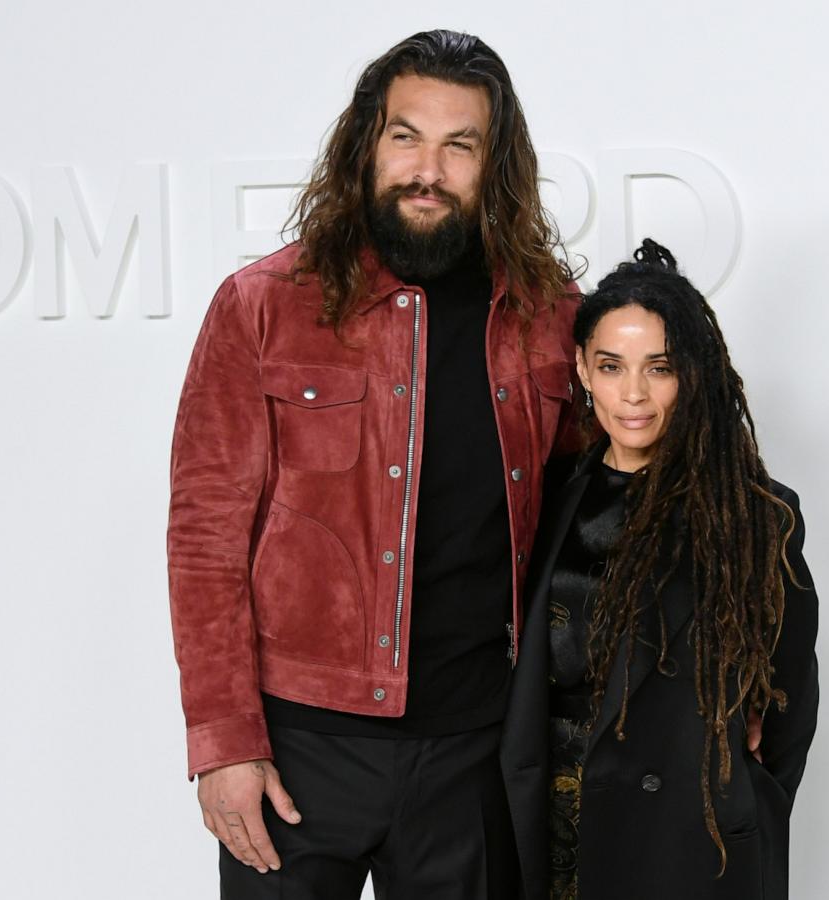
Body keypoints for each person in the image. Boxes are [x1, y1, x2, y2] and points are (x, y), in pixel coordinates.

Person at [166, 29, 580, 900]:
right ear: (366, 147)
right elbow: (205, 538)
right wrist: (224, 742)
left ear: (493, 164)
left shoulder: (550, 318)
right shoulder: (263, 308)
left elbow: (602, 524)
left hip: (475, 754)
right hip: (298, 757)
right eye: (405, 137)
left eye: (458, 144)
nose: (427, 168)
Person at [499, 239, 820, 899]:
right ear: (584, 372)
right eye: (612, 367)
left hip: (683, 837)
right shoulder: (545, 497)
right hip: (549, 818)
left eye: (660, 367)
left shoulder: (755, 515)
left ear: (693, 374)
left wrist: (743, 802)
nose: (634, 394)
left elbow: (791, 700)